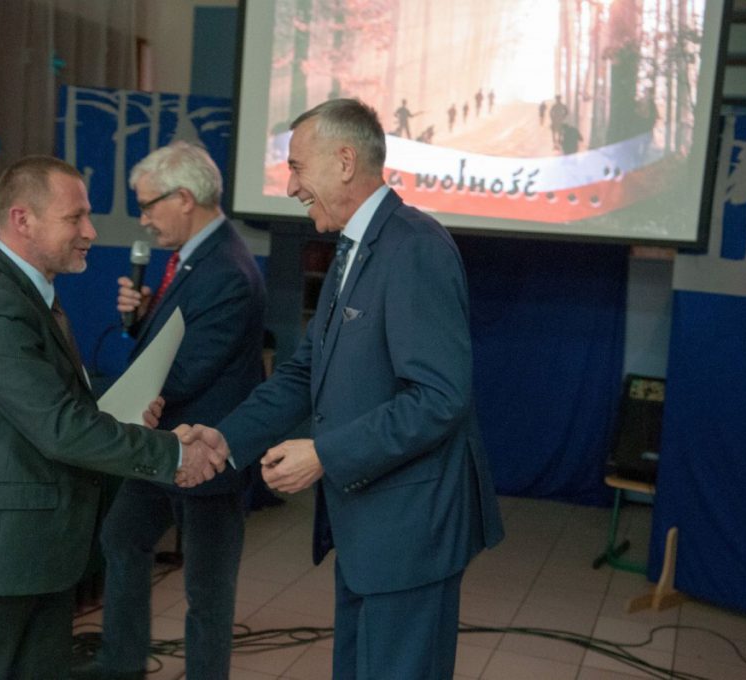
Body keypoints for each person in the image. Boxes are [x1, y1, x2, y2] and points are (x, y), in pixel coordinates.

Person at [181, 99, 504, 679]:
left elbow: (439, 398)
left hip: (411, 534)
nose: (289, 187)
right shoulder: (353, 246)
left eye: (297, 167)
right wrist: (225, 441)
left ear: (346, 161)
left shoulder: (415, 247)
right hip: (365, 531)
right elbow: (305, 372)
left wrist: (324, 454)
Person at [0, 155, 225, 680]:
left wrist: (122, 415)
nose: (90, 232)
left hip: (32, 550)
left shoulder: (28, 294)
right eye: (74, 217)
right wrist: (175, 454)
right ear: (22, 220)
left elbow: (48, 405)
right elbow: (59, 428)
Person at [75, 141, 266, 680]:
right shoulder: (197, 256)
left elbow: (189, 368)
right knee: (122, 538)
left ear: (184, 198)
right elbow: (175, 341)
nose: (143, 219)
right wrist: (142, 318)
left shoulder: (227, 267)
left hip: (208, 451)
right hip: (164, 443)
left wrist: (124, 400)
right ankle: (122, 663)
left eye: (148, 205)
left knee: (207, 588)